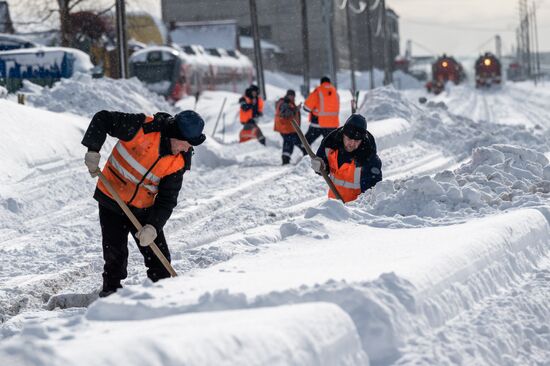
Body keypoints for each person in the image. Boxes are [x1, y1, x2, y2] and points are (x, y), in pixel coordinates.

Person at [81, 110, 206, 297]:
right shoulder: (141, 127)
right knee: (115, 254)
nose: (187, 149)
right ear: (175, 136)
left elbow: (167, 199)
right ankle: (110, 295)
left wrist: (153, 226)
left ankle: (159, 299)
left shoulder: (179, 161)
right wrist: (92, 149)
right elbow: (103, 118)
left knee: (161, 262)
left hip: (143, 206)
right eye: (186, 144)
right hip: (112, 197)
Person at [310, 114, 382, 203]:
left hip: (355, 211)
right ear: (343, 135)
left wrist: (356, 210)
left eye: (356, 141)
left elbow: (371, 193)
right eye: (349, 139)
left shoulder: (368, 156)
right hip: (332, 205)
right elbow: (323, 167)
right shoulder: (330, 144)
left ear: (362, 140)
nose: (352, 143)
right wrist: (320, 166)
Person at [303, 76, 340, 145]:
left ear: (321, 83)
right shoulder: (335, 92)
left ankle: (306, 155)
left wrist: (307, 108)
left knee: (305, 142)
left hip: (318, 123)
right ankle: (329, 155)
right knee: (331, 145)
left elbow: (307, 107)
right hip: (332, 125)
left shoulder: (318, 90)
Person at [274, 89, 306, 165]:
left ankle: (286, 159)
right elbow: (286, 114)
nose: (292, 97)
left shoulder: (287, 102)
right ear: (287, 95)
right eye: (291, 95)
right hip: (286, 129)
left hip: (289, 129)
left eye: (293, 96)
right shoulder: (285, 103)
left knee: (290, 143)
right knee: (297, 142)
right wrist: (296, 109)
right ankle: (306, 155)